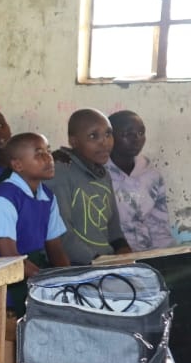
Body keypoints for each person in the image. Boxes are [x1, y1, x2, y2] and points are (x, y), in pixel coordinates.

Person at [0, 133, 70, 312]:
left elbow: (55, 247)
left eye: (48, 151)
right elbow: (9, 256)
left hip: (31, 269)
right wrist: (45, 280)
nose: (49, 158)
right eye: (39, 153)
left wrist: (68, 280)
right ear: (17, 165)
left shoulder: (47, 196)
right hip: (2, 278)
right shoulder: (4, 198)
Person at [47, 109, 132, 264]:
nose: (105, 142)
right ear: (73, 141)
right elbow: (61, 235)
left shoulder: (102, 173)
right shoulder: (60, 172)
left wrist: (125, 255)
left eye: (108, 134)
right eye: (93, 136)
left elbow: (114, 229)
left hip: (106, 263)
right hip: (79, 266)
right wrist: (97, 262)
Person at [105, 110, 174, 251]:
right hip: (113, 255)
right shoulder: (99, 175)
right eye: (128, 134)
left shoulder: (152, 176)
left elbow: (159, 225)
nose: (137, 138)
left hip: (146, 252)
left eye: (141, 133)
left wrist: (168, 257)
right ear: (109, 137)